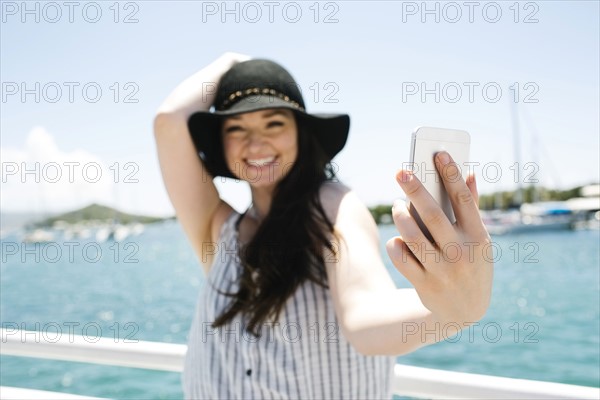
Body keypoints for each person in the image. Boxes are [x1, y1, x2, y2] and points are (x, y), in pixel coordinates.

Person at [154, 52, 493, 399]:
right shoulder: (219, 228)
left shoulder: (332, 207)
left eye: (274, 123)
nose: (255, 143)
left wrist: (449, 311)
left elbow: (365, 319)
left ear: (301, 133)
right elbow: (168, 121)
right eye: (237, 128)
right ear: (221, 145)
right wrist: (231, 61)